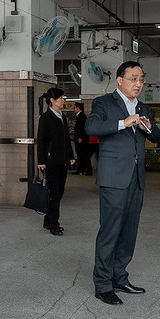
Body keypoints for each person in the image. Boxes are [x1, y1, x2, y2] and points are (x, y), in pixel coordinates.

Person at [86, 61, 160, 305]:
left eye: (141, 79)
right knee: (110, 231)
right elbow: (91, 127)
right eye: (133, 79)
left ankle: (120, 277)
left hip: (136, 178)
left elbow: (157, 137)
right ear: (120, 80)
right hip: (114, 178)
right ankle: (103, 284)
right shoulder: (104, 103)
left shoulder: (143, 107)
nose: (138, 84)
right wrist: (123, 122)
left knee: (129, 232)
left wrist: (149, 128)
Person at [36, 87, 75, 235]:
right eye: (60, 98)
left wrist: (71, 156)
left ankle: (48, 220)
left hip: (62, 161)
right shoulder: (45, 118)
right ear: (52, 100)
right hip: (50, 161)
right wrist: (41, 161)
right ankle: (53, 223)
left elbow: (66, 139)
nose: (62, 100)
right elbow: (42, 141)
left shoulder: (62, 116)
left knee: (59, 192)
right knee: (54, 192)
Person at [73, 102, 92, 175]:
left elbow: (82, 128)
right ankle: (81, 169)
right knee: (80, 154)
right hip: (80, 138)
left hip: (82, 139)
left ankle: (86, 170)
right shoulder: (79, 116)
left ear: (78, 108)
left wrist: (80, 137)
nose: (74, 109)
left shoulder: (82, 116)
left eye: (75, 108)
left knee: (83, 154)